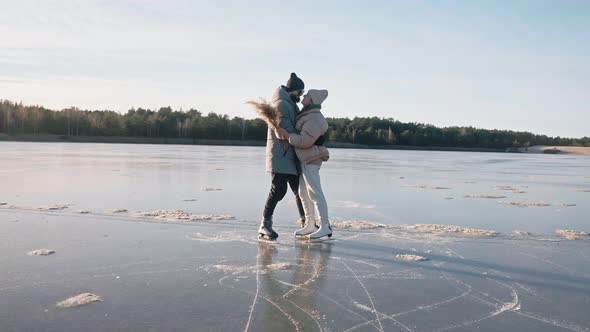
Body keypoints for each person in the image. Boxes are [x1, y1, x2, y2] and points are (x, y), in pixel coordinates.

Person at [275, 89, 332, 239]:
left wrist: (286, 135)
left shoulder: (314, 118)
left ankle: (325, 226)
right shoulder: (307, 114)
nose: (304, 96)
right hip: (305, 159)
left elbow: (305, 141)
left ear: (312, 100)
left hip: (312, 159)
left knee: (315, 192)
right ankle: (310, 224)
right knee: (303, 193)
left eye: (307, 96)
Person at [258, 73, 307, 241]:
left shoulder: (288, 103)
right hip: (281, 154)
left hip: (289, 154)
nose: (300, 96)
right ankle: (265, 225)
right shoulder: (282, 104)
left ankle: (306, 224)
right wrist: (305, 139)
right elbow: (287, 130)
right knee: (278, 190)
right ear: (293, 90)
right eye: (299, 93)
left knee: (299, 191)